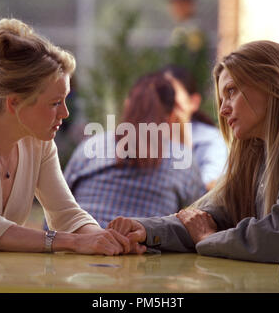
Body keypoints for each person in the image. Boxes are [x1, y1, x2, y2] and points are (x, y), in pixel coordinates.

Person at [108, 40, 279, 265]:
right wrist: (143, 229)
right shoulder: (257, 154)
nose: (223, 110)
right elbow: (207, 217)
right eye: (221, 99)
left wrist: (209, 239)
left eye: (231, 92)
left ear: (273, 83)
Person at [0, 18, 131, 256]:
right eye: (55, 103)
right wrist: (73, 242)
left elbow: (67, 216)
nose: (65, 113)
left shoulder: (39, 143)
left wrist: (108, 240)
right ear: (15, 103)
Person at [62, 72, 206, 228]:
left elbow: (56, 209)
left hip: (81, 244)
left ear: (126, 105)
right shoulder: (182, 160)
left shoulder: (91, 147)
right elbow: (197, 222)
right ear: (172, 116)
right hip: (145, 248)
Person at [161, 65, 227, 189]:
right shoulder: (147, 135)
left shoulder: (210, 140)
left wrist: (181, 135)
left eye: (171, 96)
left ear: (193, 102)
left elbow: (207, 187)